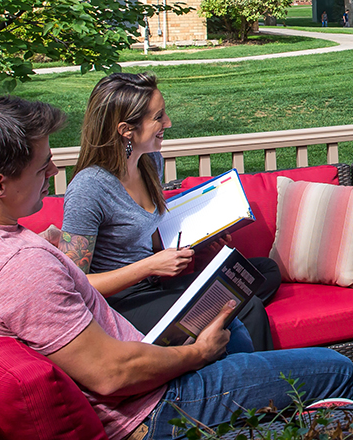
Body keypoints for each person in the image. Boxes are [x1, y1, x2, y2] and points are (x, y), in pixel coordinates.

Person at [0, 96, 353, 440]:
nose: (53, 171)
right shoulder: (21, 268)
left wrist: (40, 244)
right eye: (43, 167)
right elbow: (112, 374)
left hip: (142, 369)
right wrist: (198, 354)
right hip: (150, 407)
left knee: (235, 318)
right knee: (336, 369)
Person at [60, 72, 278, 352]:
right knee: (247, 306)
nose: (169, 122)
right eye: (158, 117)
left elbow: (145, 236)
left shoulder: (150, 162)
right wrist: (150, 266)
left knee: (260, 273)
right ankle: (265, 377)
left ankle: (196, 329)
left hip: (155, 285)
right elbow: (74, 284)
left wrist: (202, 240)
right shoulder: (89, 188)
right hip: (120, 303)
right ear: (126, 129)